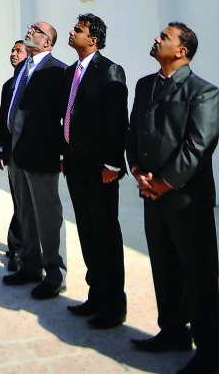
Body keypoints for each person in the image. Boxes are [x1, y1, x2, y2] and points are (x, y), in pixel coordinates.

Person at [126, 22, 219, 374]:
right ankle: (173, 332)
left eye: (164, 37)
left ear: (181, 50)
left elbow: (198, 146)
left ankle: (210, 350)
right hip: (152, 196)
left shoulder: (203, 91)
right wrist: (136, 170)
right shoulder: (145, 85)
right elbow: (133, 131)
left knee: (199, 273)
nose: (156, 39)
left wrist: (164, 183)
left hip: (186, 200)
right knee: (164, 268)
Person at [62, 14, 128, 329]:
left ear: (93, 39)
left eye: (79, 29)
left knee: (105, 235)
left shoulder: (109, 70)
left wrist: (113, 164)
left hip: (100, 169)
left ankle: (114, 306)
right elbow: (68, 116)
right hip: (75, 166)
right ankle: (95, 296)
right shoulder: (71, 71)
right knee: (87, 233)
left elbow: (117, 122)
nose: (72, 32)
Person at [2, 21, 67, 299]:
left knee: (47, 216)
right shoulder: (22, 68)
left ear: (48, 42)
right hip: (17, 153)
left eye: (37, 30)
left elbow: (65, 116)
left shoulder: (57, 70)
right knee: (25, 212)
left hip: (42, 155)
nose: (30, 31)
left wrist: (62, 152)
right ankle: (30, 266)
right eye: (30, 28)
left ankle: (55, 273)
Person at [0, 40, 28, 271]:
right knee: (18, 202)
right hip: (12, 154)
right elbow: (2, 118)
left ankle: (21, 249)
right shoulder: (9, 85)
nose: (13, 53)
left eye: (18, 50)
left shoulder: (32, 82)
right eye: (12, 49)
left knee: (27, 205)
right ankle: (16, 248)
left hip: (32, 153)